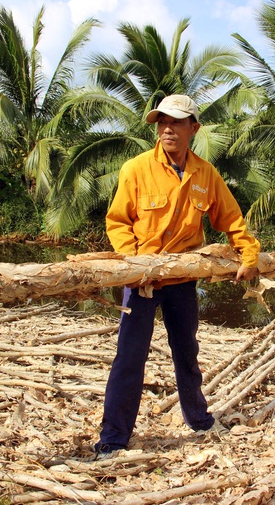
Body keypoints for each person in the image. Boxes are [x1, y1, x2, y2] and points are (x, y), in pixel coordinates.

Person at [95, 94, 260, 456]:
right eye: (161, 121)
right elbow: (118, 222)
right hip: (141, 283)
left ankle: (198, 419)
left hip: (183, 280)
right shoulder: (136, 169)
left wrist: (248, 252)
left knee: (186, 351)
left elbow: (230, 219)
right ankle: (113, 438)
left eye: (176, 121)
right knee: (129, 357)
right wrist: (136, 265)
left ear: (193, 128)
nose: (167, 128)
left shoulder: (205, 174)